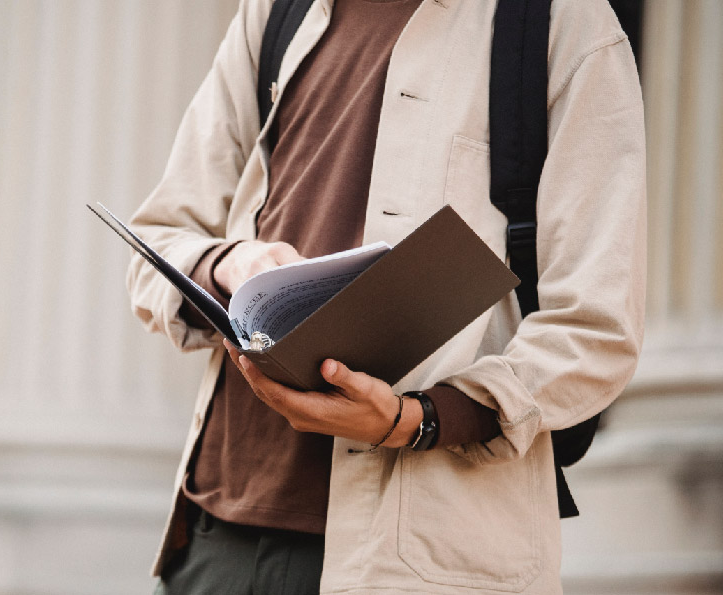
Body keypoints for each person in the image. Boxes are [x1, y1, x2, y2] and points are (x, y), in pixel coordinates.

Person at [126, 0, 646, 593]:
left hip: (423, 560)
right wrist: (229, 262)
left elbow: (596, 327)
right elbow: (161, 236)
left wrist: (415, 420)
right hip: (219, 538)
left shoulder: (563, 23)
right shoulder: (274, 13)